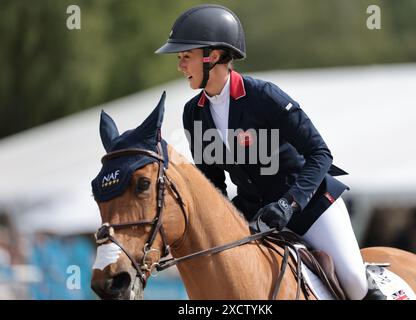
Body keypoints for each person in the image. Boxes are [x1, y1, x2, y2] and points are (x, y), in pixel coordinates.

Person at [155, 4, 385, 300]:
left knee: (354, 283)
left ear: (212, 56)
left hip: (309, 207)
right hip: (255, 215)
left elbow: (320, 153)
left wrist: (289, 204)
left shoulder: (263, 97)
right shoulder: (194, 113)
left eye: (186, 57)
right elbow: (212, 183)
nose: (180, 66)